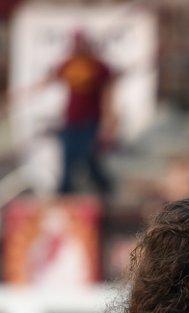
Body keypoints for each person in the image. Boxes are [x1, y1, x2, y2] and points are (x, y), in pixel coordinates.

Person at [52, 30, 115, 196]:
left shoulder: (99, 67)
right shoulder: (69, 64)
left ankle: (103, 186)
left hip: (91, 121)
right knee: (67, 159)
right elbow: (51, 79)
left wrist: (109, 123)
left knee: (89, 156)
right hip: (71, 121)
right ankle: (64, 193)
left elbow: (108, 95)